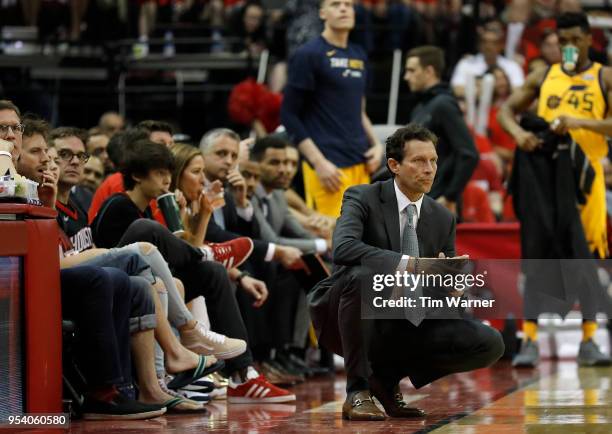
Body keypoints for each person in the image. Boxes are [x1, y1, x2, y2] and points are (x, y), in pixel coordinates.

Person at [308, 124, 504, 420]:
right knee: (363, 277)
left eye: (434, 161)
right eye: (419, 161)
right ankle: (357, 390)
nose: (429, 169)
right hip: (348, 312)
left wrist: (454, 288)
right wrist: (410, 264)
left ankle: (385, 380)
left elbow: (445, 275)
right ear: (394, 165)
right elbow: (345, 248)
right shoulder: (362, 197)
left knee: (489, 343)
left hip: (405, 317)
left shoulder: (442, 217)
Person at [92, 139, 297, 403]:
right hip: (121, 284)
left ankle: (243, 373)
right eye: (160, 174)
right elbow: (128, 259)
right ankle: (207, 264)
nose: (167, 180)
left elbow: (174, 261)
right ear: (137, 176)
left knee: (212, 272)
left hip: (153, 282)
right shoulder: (119, 206)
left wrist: (204, 216)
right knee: (149, 232)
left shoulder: (149, 208)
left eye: (169, 173)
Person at [498, 11, 612, 368]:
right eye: (561, 41)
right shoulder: (543, 75)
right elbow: (507, 110)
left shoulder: (603, 76)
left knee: (585, 260)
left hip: (586, 177)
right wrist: (519, 134)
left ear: (588, 40)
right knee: (538, 256)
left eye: (574, 40)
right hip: (546, 175)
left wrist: (579, 122)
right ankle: (530, 340)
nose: (568, 47)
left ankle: (590, 340)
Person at [280, 0, 383, 218]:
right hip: (328, 165)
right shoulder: (308, 54)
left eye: (348, 4)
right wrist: (318, 163)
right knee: (333, 241)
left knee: (362, 239)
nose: (344, 8)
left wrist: (376, 144)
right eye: (336, 4)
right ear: (323, 13)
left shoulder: (359, 54)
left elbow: (359, 108)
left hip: (361, 161)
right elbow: (289, 115)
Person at [405, 45, 479, 214]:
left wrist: (450, 196)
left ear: (429, 71)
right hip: (419, 198)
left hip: (437, 200)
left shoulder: (443, 105)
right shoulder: (421, 107)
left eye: (411, 70)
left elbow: (469, 154)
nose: (406, 77)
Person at [451, 27, 525, 97]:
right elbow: (457, 89)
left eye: (493, 43)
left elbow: (519, 91)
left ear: (501, 45)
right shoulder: (466, 64)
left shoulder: (512, 66)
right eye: (485, 42)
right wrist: (491, 90)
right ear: (479, 44)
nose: (488, 46)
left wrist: (478, 87)